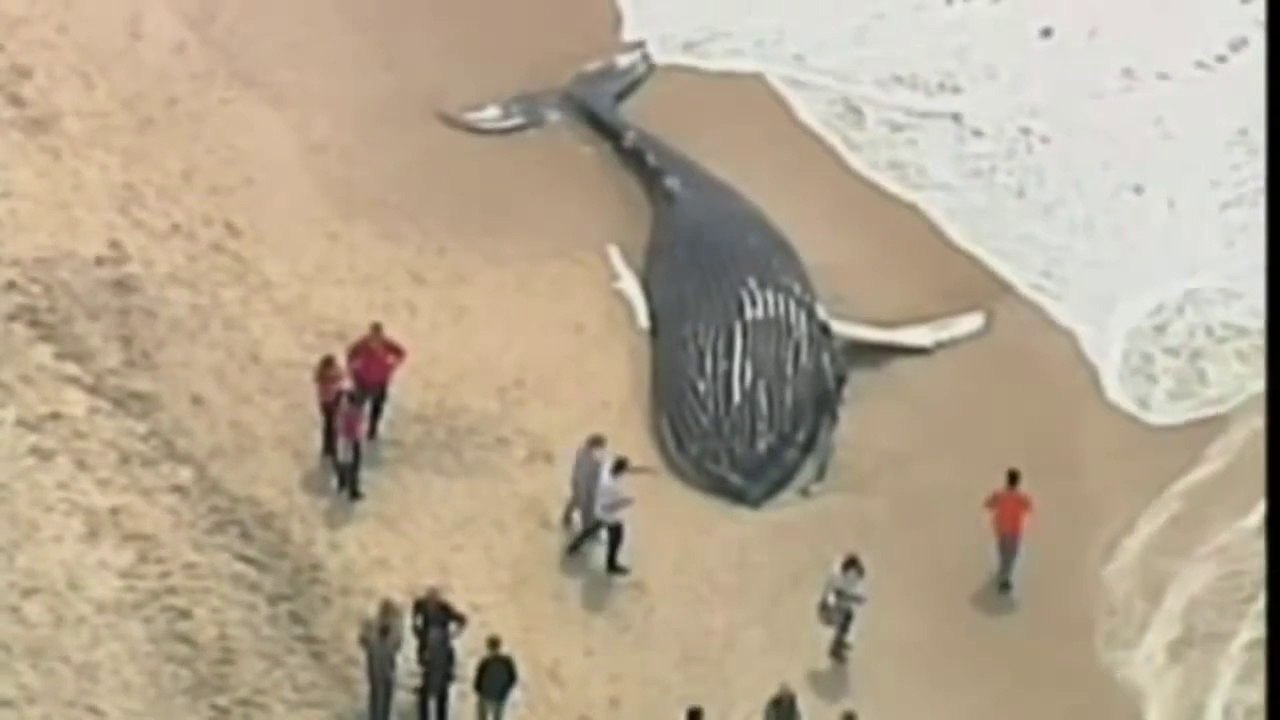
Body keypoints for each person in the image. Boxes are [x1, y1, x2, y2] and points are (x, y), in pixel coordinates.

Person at [564, 455, 635, 575]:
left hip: (598, 508)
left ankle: (574, 546)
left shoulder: (605, 471)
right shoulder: (615, 488)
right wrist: (625, 502)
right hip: (610, 516)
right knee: (616, 539)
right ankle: (611, 565)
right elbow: (612, 506)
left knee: (592, 528)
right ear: (622, 471)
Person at [346, 322, 407, 442]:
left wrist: (392, 365)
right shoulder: (363, 344)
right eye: (373, 335)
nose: (375, 339)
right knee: (358, 406)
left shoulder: (387, 344)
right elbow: (350, 355)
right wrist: (353, 371)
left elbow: (401, 353)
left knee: (377, 408)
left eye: (378, 336)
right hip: (363, 380)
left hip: (380, 382)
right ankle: (353, 430)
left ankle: (372, 430)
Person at [983, 467, 1033, 594]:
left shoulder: (999, 494)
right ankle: (1005, 579)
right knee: (1011, 555)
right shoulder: (1021, 497)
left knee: (1004, 553)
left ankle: (1003, 575)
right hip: (1015, 530)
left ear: (1007, 480)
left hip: (1001, 529)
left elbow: (988, 504)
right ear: (1018, 481)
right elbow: (1029, 507)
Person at [358, 599, 403, 720]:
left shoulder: (393, 626)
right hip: (379, 665)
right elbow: (363, 640)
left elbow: (397, 645)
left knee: (380, 695)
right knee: (379, 695)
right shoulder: (374, 624)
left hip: (383, 665)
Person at [817, 554, 867, 662]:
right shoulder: (837, 576)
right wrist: (855, 599)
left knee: (848, 616)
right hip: (827, 608)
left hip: (835, 605)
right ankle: (835, 650)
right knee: (844, 620)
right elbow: (837, 595)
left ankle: (840, 641)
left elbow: (861, 574)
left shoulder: (846, 573)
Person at [561, 433, 608, 530]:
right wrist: (585, 493)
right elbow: (584, 476)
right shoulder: (588, 459)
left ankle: (567, 517)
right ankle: (586, 527)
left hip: (582, 483)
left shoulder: (587, 452)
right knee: (585, 506)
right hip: (584, 485)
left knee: (577, 500)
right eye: (602, 447)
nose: (603, 449)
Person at [473, 634, 519, 720]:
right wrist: (505, 691)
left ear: (488, 646)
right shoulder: (507, 661)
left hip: (485, 695)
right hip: (500, 696)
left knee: (482, 716)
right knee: (498, 717)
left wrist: (480, 691)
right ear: (499, 645)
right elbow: (513, 678)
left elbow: (478, 681)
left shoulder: (485, 661)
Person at [333, 387, 366, 500]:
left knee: (342, 462)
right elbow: (356, 429)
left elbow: (337, 424)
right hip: (352, 441)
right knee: (354, 467)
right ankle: (353, 491)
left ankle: (341, 483)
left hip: (341, 439)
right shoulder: (356, 412)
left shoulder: (341, 410)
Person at [417, 626, 455, 720]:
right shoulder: (447, 648)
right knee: (440, 704)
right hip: (441, 679)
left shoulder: (428, 649)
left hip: (432, 678)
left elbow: (422, 662)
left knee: (425, 702)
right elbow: (451, 663)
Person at [314, 354, 345, 460]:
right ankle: (332, 448)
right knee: (333, 424)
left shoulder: (320, 373)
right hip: (334, 400)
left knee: (328, 424)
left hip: (324, 401)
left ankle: (326, 447)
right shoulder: (333, 372)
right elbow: (342, 376)